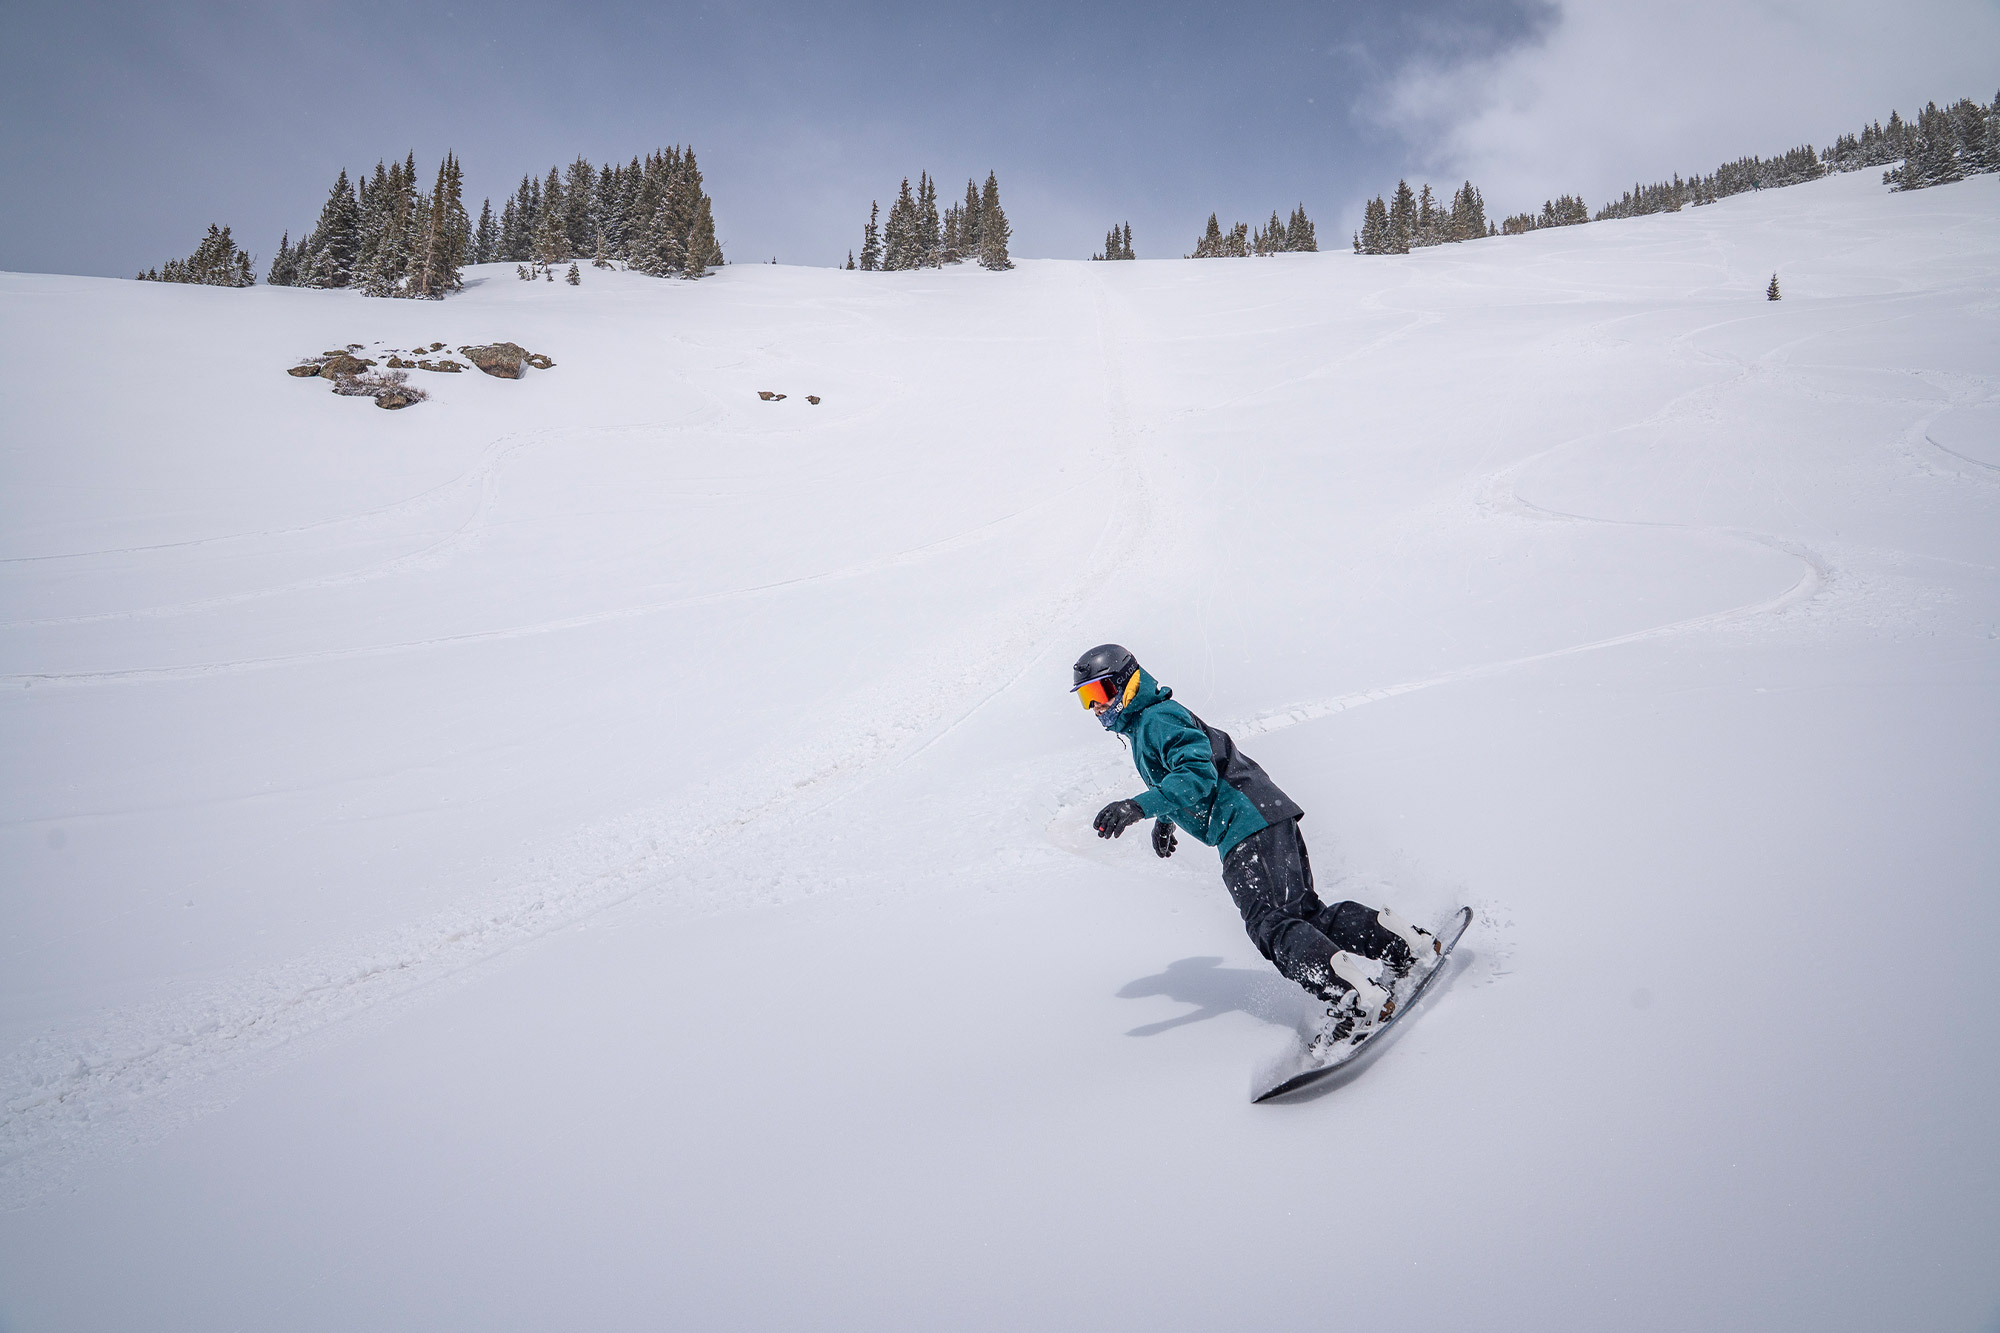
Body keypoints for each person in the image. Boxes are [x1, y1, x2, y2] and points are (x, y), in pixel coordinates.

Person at [1073, 644, 1440, 1043]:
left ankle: (1357, 998)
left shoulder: (1155, 719)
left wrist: (1138, 806)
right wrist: (1166, 818)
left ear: (1126, 682)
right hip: (1264, 815)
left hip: (1245, 827)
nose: (1096, 707)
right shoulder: (1151, 724)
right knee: (1305, 917)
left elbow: (1197, 776)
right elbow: (1188, 771)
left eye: (1100, 693)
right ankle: (1405, 944)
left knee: (1272, 926)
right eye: (1086, 699)